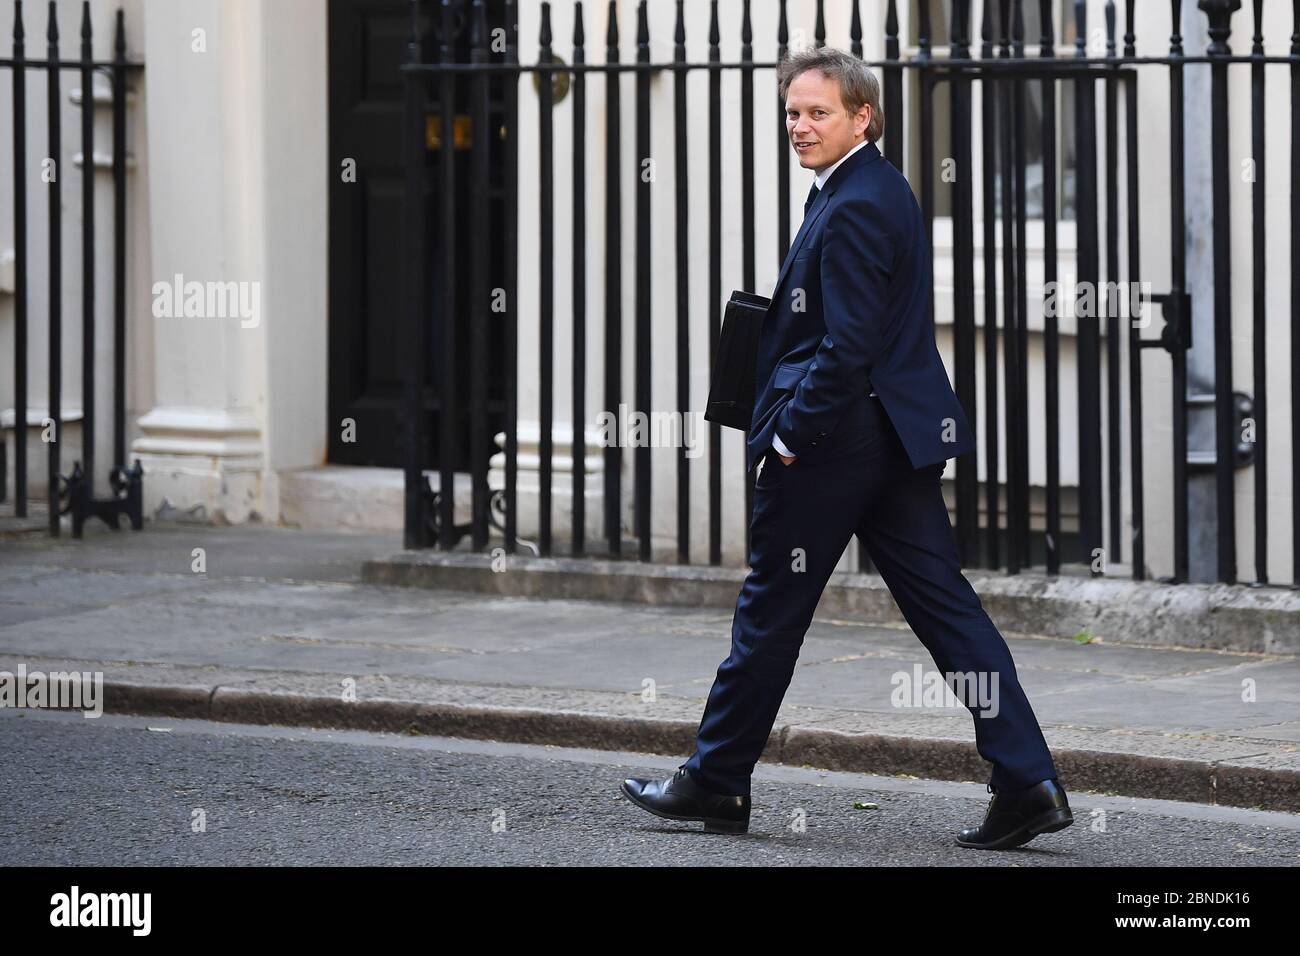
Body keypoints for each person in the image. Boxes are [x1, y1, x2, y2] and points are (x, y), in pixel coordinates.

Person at [621, 46, 1072, 851]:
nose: (799, 126)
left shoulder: (857, 200)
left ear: (862, 115)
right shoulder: (874, 187)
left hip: (838, 441)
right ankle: (1026, 778)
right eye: (792, 112)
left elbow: (850, 340)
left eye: (817, 112)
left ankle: (718, 779)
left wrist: (794, 432)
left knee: (770, 611)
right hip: (891, 437)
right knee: (948, 611)